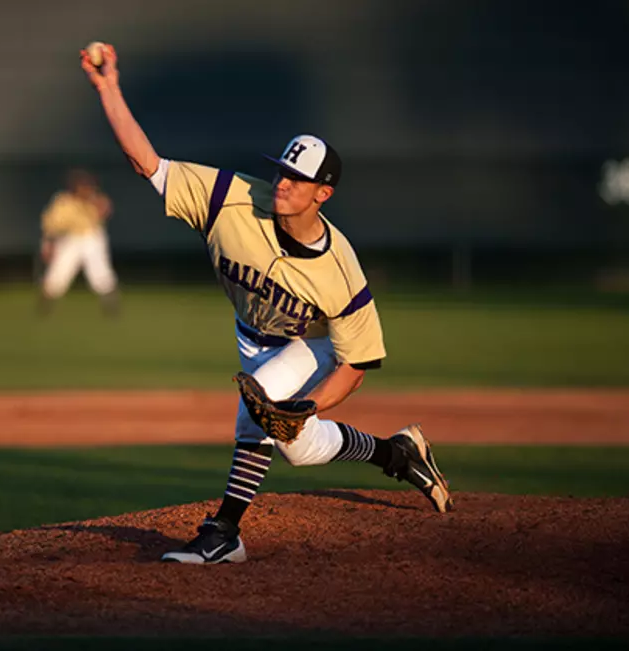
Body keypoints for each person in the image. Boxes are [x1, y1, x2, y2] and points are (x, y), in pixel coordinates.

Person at [80, 43, 453, 565]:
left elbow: (358, 364)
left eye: (298, 179)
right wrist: (109, 89)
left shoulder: (340, 271)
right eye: (282, 171)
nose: (283, 183)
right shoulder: (229, 199)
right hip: (251, 335)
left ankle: (224, 532)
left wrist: (309, 404)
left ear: (323, 194)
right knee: (298, 450)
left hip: (313, 344)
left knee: (258, 408)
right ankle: (398, 454)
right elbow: (149, 164)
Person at [38, 168, 120, 317]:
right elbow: (51, 225)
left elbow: (105, 210)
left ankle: (112, 310)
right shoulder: (63, 200)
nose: (84, 189)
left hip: (91, 238)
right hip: (70, 239)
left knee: (100, 274)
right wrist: (48, 245)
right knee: (57, 275)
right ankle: (43, 309)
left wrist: (91, 200)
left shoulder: (94, 200)